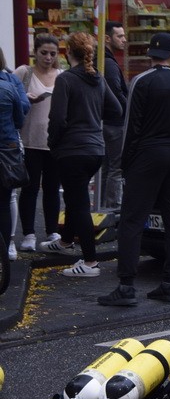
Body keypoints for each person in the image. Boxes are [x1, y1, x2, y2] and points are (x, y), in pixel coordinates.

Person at [98, 33, 170, 307]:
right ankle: (169, 283)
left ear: (150, 55)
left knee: (132, 220)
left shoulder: (141, 81)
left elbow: (131, 126)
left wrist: (127, 163)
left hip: (146, 153)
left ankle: (126, 285)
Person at [40, 32, 122, 279]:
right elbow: (117, 109)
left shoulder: (66, 80)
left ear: (67, 53)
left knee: (79, 205)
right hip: (95, 148)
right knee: (76, 200)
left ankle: (90, 262)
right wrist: (93, 117)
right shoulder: (97, 78)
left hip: (72, 149)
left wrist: (53, 143)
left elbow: (57, 118)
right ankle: (65, 242)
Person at [14, 34, 62, 251]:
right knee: (30, 188)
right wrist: (26, 98)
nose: (48, 57)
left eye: (53, 53)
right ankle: (29, 234)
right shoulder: (24, 72)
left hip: (54, 141)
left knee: (52, 188)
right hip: (29, 140)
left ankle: (52, 231)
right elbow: (10, 97)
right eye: (44, 53)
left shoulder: (62, 76)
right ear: (36, 52)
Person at [0, 47, 30, 260]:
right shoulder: (10, 86)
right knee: (6, 197)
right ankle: (7, 245)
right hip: (7, 148)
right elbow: (20, 119)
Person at [100, 21, 129, 209]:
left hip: (107, 121)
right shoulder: (108, 64)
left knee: (107, 166)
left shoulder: (104, 60)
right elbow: (115, 93)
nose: (124, 40)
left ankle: (103, 204)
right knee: (116, 167)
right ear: (108, 38)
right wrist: (130, 112)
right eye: (120, 36)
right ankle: (112, 206)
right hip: (114, 122)